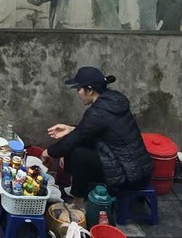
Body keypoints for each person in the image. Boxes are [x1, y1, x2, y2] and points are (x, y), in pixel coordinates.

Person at [45, 65, 153, 197]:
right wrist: (70, 129)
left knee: (77, 153)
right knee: (74, 145)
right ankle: (75, 188)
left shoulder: (99, 112)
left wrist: (48, 152)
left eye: (79, 89)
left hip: (130, 175)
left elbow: (77, 137)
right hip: (138, 168)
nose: (78, 92)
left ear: (89, 91)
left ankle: (78, 196)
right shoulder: (112, 101)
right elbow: (91, 131)